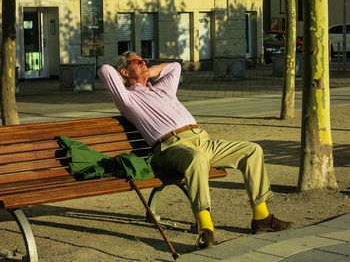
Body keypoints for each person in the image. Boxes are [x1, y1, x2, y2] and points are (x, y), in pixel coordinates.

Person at [98, 51, 294, 249]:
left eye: (144, 60)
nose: (143, 63)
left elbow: (175, 66)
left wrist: (149, 72)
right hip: (171, 147)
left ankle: (261, 217)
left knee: (252, 150)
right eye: (137, 61)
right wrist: (131, 77)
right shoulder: (127, 98)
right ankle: (206, 229)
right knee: (196, 159)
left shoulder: (162, 89)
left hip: (203, 140)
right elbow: (105, 70)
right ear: (124, 71)